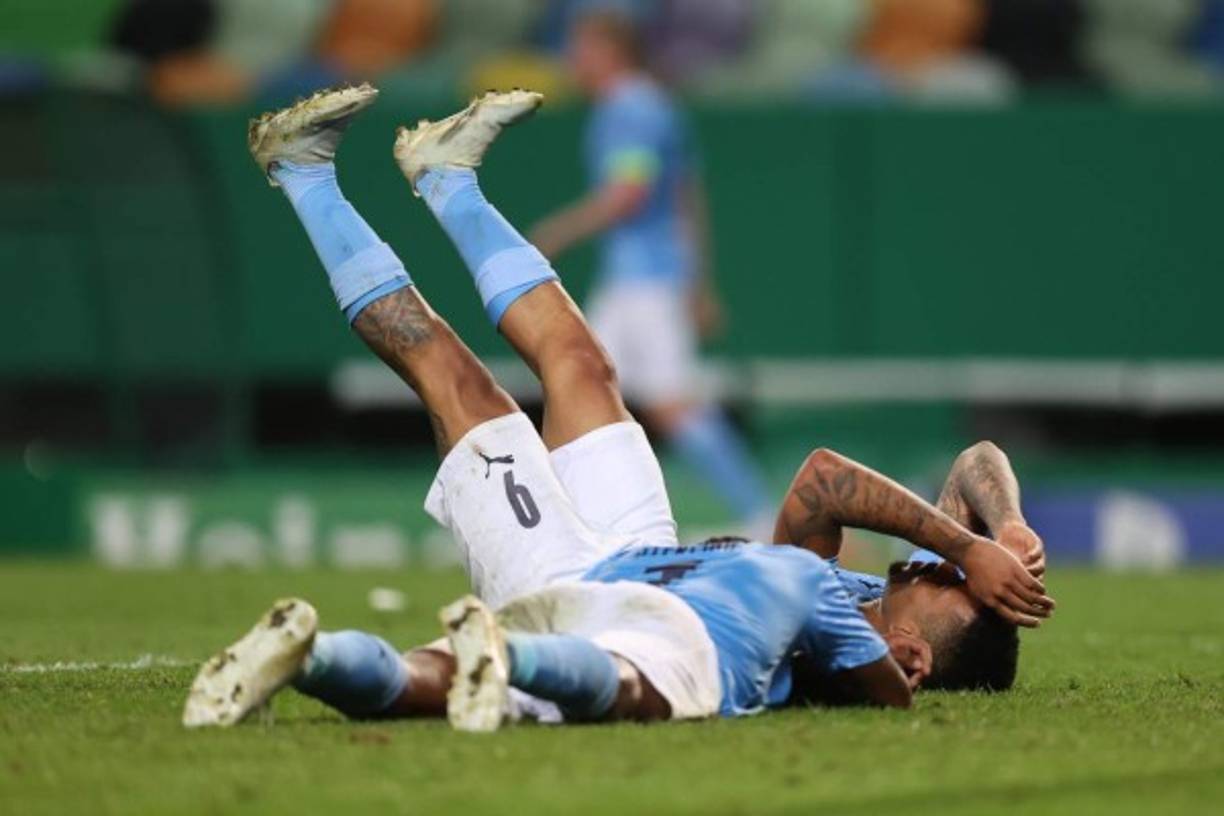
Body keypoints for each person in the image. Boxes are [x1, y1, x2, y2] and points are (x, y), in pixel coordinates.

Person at [182, 84, 1053, 731]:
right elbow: (967, 465)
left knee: (462, 385)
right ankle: (446, 179)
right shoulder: (869, 585)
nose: (925, 565)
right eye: (939, 563)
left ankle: (301, 176)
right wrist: (998, 532)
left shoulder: (839, 634)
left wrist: (963, 555)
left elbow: (822, 480)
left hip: (570, 581)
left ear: (920, 651)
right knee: (582, 366)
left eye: (940, 583)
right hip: (644, 555)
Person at [528, 10, 774, 535]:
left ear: (609, 53)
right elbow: (687, 196)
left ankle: (758, 512)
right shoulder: (652, 104)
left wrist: (557, 231)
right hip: (646, 278)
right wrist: (699, 278)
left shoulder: (629, 109)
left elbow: (629, 194)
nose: (574, 62)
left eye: (582, 50)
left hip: (644, 283)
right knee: (582, 385)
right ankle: (577, 519)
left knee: (655, 401)